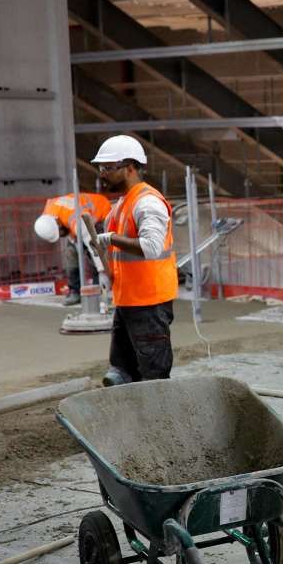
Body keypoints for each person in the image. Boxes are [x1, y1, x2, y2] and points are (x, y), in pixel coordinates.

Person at [91, 135, 177, 386]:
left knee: (153, 375)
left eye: (108, 168)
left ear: (130, 168)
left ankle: (158, 420)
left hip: (149, 301)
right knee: (121, 371)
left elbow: (151, 247)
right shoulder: (122, 204)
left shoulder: (147, 203)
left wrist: (110, 239)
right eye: (101, 168)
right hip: (128, 298)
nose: (103, 174)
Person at [33, 192, 113, 306]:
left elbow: (93, 245)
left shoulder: (76, 219)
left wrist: (102, 271)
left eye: (60, 233)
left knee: (94, 256)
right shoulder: (48, 216)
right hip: (77, 218)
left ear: (58, 224)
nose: (61, 236)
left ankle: (99, 289)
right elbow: (69, 229)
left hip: (101, 215)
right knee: (71, 253)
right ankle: (74, 291)